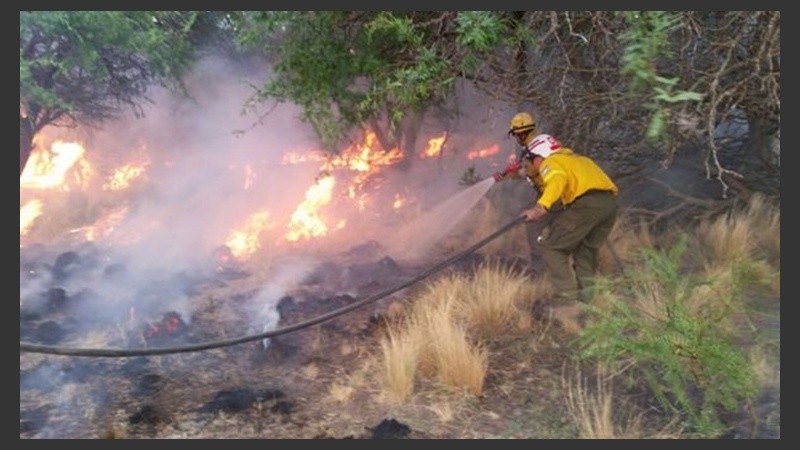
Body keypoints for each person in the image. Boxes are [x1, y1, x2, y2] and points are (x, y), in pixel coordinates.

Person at [495, 111, 619, 312]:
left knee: (552, 247)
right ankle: (588, 301)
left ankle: (568, 302)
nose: (533, 164)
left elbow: (556, 180)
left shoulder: (551, 163)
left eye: (533, 160)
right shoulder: (576, 159)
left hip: (584, 206)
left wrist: (540, 207)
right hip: (608, 206)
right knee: (584, 251)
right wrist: (509, 175)